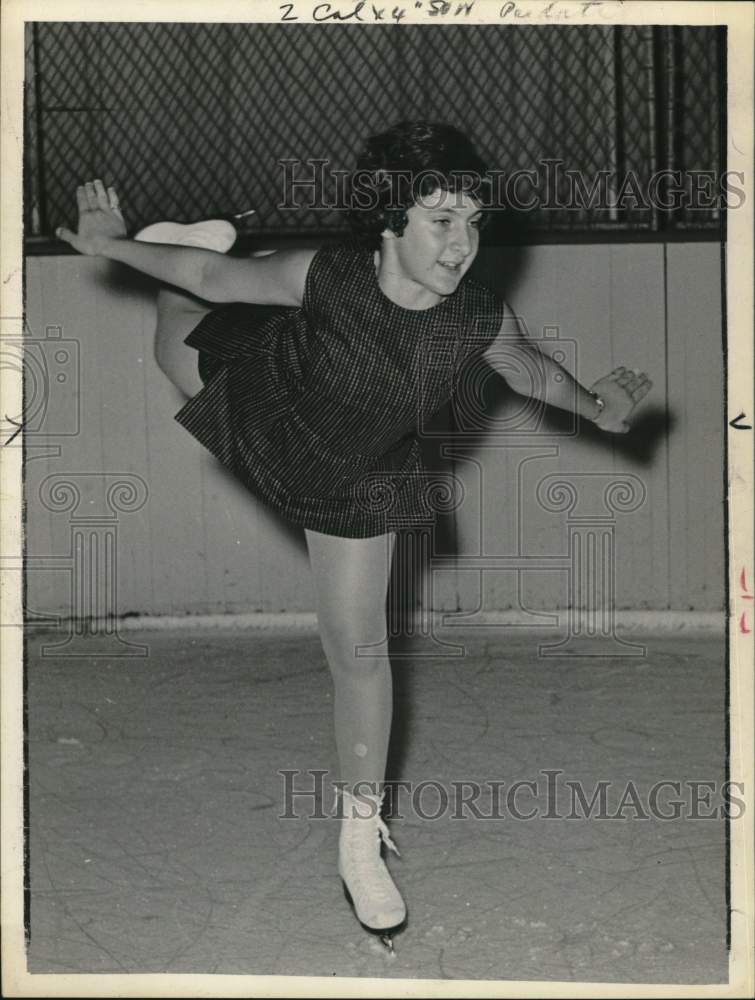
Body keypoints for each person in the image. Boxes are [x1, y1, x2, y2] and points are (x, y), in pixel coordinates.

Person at [56, 121, 652, 942]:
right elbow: (208, 273)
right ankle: (172, 231)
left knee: (358, 652)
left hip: (362, 474)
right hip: (275, 395)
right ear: (389, 223)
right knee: (173, 346)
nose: (461, 242)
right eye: (440, 220)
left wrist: (600, 410)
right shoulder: (326, 276)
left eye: (473, 221)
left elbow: (531, 370)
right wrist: (118, 247)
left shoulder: (475, 314)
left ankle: (357, 843)